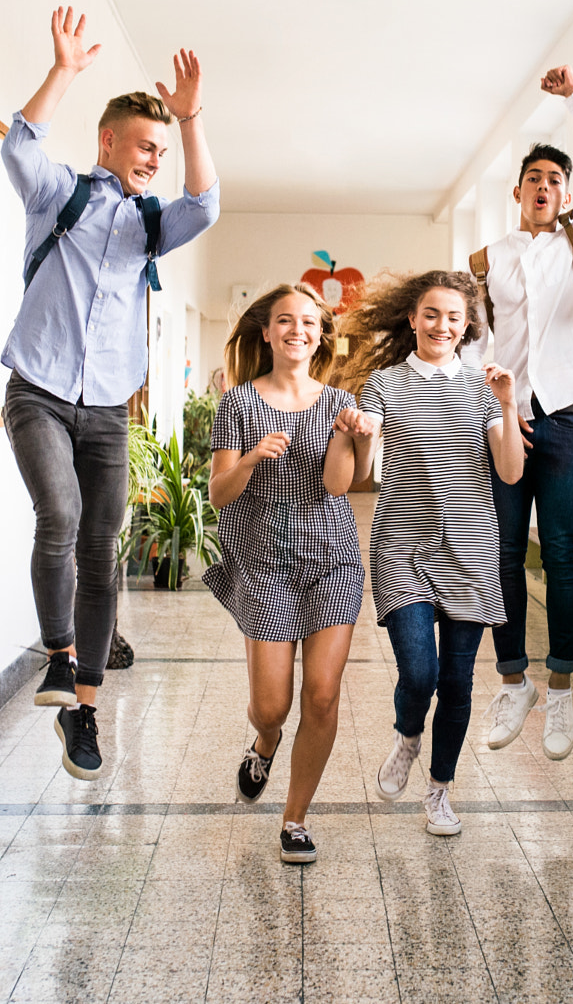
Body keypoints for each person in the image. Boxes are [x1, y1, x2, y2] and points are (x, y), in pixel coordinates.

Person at [0, 6, 219, 782]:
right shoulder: (62, 196)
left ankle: (83, 713)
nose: (153, 159)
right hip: (38, 391)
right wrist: (62, 71)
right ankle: (58, 653)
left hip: (105, 413)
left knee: (102, 549)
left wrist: (189, 119)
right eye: (144, 145)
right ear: (108, 142)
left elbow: (207, 203)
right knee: (59, 513)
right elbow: (18, 146)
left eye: (161, 149)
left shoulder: (150, 224)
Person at [337, 272, 524, 836]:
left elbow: (511, 470)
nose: (442, 325)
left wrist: (509, 406)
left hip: (471, 547)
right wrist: (364, 432)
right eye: (431, 314)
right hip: (401, 545)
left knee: (460, 681)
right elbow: (363, 473)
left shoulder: (481, 388)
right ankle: (407, 734)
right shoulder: (384, 384)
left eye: (453, 316)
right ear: (413, 320)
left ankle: (439, 790)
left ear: (467, 326)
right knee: (420, 673)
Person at [471, 65, 573, 760]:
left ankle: (559, 689)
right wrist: (488, 406)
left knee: (560, 553)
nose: (544, 187)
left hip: (562, 416)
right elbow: (469, 341)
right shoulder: (487, 259)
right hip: (505, 420)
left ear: (564, 195)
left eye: (555, 181)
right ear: (518, 189)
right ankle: (513, 680)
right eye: (534, 177)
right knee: (502, 554)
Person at [205, 282, 374, 864]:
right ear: (267, 332)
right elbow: (219, 494)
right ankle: (264, 742)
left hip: (334, 562)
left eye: (308, 322)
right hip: (265, 563)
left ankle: (295, 818)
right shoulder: (239, 404)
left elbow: (336, 486)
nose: (297, 330)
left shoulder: (338, 404)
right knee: (273, 706)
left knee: (322, 698)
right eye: (285, 321)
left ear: (321, 335)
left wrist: (357, 438)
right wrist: (251, 457)